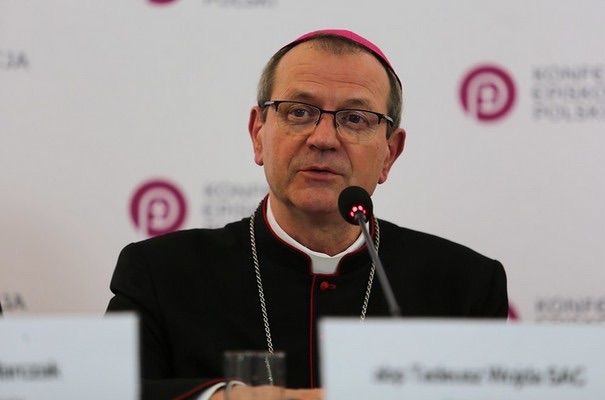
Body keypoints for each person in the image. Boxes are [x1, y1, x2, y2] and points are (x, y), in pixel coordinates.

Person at [107, 29, 508, 400]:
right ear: (258, 133)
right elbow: (106, 391)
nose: (323, 139)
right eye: (299, 112)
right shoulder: (160, 273)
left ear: (390, 153)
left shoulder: (465, 286)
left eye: (355, 118)